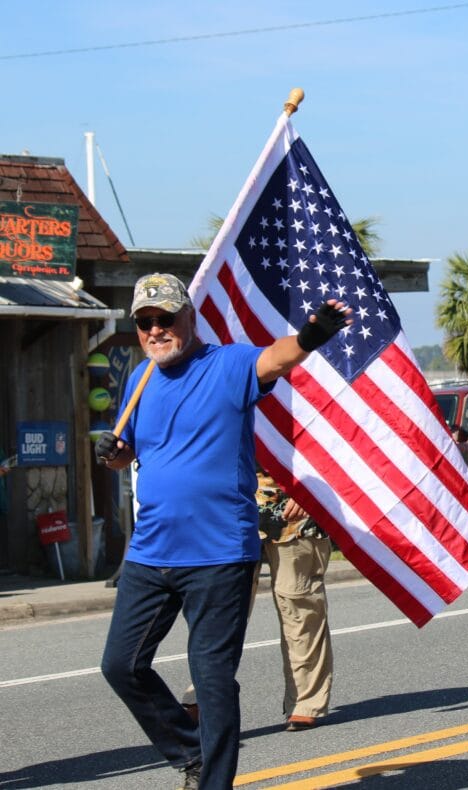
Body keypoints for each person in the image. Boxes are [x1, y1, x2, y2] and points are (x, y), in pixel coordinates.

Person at [96, 273, 348, 790]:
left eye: (166, 318)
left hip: (218, 553)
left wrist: (312, 334)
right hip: (150, 551)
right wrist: (116, 454)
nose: (155, 329)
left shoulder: (227, 365)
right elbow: (132, 455)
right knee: (121, 665)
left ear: (190, 318)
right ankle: (191, 753)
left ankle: (213, 782)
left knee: (210, 679)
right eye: (145, 322)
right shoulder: (140, 379)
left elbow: (275, 358)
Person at [256, 469, 334, 731]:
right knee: (220, 610)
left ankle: (305, 701)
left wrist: (309, 488)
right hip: (228, 504)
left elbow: (333, 438)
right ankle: (200, 698)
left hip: (293, 506)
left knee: (299, 605)